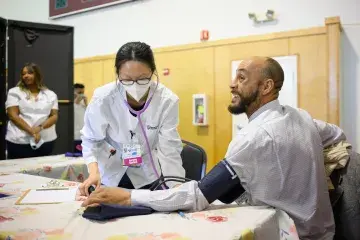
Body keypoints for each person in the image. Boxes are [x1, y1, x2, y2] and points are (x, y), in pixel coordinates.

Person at [81, 56, 345, 240]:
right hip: (323, 231)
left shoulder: (254, 138)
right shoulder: (302, 117)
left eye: (242, 77)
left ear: (266, 87)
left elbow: (199, 195)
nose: (232, 84)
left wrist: (127, 197)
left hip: (289, 234)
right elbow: (338, 136)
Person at [78, 42, 185, 196]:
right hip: (110, 173)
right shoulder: (103, 99)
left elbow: (169, 148)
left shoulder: (166, 100)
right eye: (127, 80)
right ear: (118, 74)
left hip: (148, 174)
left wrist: (176, 187)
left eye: (143, 79)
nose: (135, 86)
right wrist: (94, 172)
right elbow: (91, 140)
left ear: (153, 72)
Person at [5, 63, 58, 159]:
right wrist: (32, 132)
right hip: (20, 140)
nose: (26, 76)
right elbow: (13, 115)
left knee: (43, 169)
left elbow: (54, 116)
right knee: (17, 171)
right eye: (23, 74)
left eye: (30, 73)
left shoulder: (50, 94)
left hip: (45, 140)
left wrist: (39, 128)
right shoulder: (14, 92)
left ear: (37, 75)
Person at [73, 83, 87, 153]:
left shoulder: (83, 105)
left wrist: (86, 104)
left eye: (83, 93)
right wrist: (76, 102)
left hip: (84, 136)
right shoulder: (70, 106)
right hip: (74, 137)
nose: (81, 95)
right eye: (79, 93)